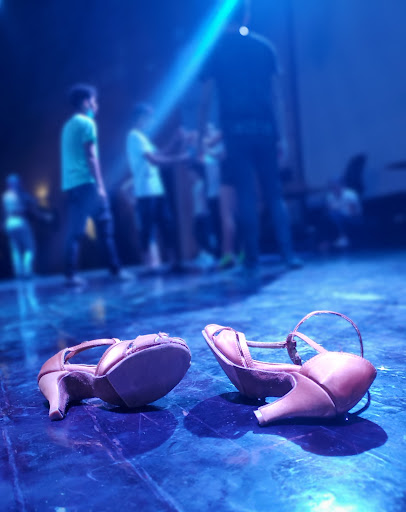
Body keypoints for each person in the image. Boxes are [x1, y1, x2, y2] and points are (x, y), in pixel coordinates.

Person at [200, 0, 301, 275]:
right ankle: (288, 254)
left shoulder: (216, 50)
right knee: (274, 193)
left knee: (245, 194)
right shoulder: (265, 47)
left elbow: (206, 99)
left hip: (235, 131)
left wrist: (200, 140)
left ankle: (253, 258)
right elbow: (278, 97)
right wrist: (283, 137)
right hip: (266, 129)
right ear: (247, 15)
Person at [61, 84, 130, 286]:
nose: (96, 105)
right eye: (94, 101)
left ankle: (70, 275)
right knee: (105, 227)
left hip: (72, 185)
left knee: (74, 232)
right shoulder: (87, 122)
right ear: (85, 102)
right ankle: (115, 270)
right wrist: (100, 186)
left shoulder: (68, 126)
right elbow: (91, 155)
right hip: (88, 183)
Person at [126, 103, 189, 271]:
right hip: (145, 191)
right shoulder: (134, 136)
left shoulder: (143, 137)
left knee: (167, 224)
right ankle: (149, 265)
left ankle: (173, 262)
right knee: (148, 229)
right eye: (149, 117)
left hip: (156, 190)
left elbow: (160, 153)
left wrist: (175, 141)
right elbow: (154, 160)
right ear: (140, 118)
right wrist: (179, 159)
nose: (151, 121)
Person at [2, 174, 35, 279]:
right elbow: (30, 203)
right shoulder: (18, 194)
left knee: (15, 249)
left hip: (9, 223)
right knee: (29, 248)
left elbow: (4, 212)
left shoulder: (5, 196)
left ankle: (19, 273)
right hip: (20, 221)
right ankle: (27, 272)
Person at [324, 178, 363, 249]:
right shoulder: (330, 197)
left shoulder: (350, 194)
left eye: (335, 186)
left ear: (341, 185)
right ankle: (327, 242)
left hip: (354, 217)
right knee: (329, 217)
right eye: (331, 187)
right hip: (337, 218)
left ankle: (343, 237)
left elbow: (353, 212)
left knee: (336, 215)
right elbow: (329, 210)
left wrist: (339, 211)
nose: (333, 189)